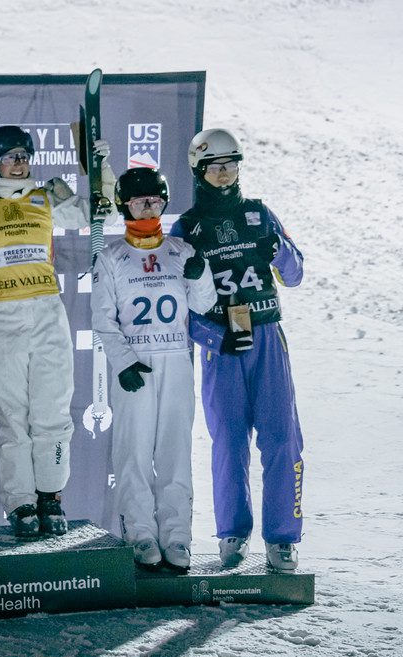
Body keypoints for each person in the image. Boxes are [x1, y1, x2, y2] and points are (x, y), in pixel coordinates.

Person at [170, 128, 305, 572]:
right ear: (199, 172)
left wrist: (278, 248)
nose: (225, 174)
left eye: (231, 165)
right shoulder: (187, 227)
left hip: (267, 335)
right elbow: (176, 303)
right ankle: (232, 533)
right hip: (222, 343)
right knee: (229, 440)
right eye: (215, 167)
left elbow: (296, 272)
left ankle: (282, 538)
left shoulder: (260, 214)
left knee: (282, 438)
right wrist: (214, 337)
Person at [0, 125, 117, 537]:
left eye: (24, 155)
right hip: (1, 314)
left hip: (46, 309)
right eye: (10, 156)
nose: (19, 163)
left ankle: (50, 495)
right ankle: (20, 502)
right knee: (10, 416)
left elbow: (100, 211)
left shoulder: (47, 196)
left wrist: (101, 166)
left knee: (52, 409)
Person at [91, 167, 217, 570]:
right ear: (124, 205)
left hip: (175, 360)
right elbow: (103, 319)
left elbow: (203, 305)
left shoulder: (181, 251)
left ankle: (177, 536)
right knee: (134, 451)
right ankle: (140, 532)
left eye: (156, 200)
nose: (149, 207)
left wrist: (200, 279)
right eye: (140, 201)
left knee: (176, 452)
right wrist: (123, 362)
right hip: (136, 365)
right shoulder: (111, 258)